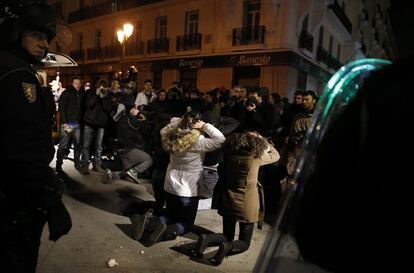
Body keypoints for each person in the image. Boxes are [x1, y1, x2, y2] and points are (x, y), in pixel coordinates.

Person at [0, 1, 72, 272]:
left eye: (46, 38)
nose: (44, 44)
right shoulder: (17, 75)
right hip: (14, 200)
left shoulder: (12, 67)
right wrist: (51, 200)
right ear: (16, 32)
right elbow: (23, 148)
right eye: (36, 35)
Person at [130, 112, 225, 247]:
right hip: (188, 189)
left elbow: (164, 129)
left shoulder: (170, 137)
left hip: (170, 184)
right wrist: (205, 126)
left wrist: (179, 121)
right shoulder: (199, 142)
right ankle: (165, 231)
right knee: (186, 224)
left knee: (171, 215)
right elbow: (220, 139)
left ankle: (150, 222)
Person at [192, 131, 279, 265]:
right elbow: (276, 156)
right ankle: (226, 247)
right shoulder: (256, 157)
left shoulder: (229, 154)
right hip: (247, 202)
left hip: (228, 198)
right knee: (244, 242)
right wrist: (262, 139)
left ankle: (206, 239)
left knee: (227, 235)